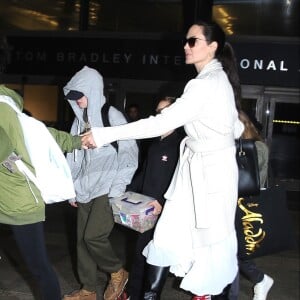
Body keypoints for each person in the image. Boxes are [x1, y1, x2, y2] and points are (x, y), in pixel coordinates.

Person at [81, 20, 244, 300]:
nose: (185, 46)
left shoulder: (207, 83)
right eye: (186, 40)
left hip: (209, 176)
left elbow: (161, 123)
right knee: (167, 238)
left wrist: (104, 134)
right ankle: (149, 294)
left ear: (213, 46)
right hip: (199, 171)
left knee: (209, 249)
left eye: (192, 41)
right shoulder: (215, 81)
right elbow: (236, 127)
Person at [62, 66, 139, 300]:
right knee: (81, 243)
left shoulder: (111, 116)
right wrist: (71, 190)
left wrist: (118, 188)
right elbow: (73, 157)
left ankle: (117, 272)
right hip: (84, 188)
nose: (78, 101)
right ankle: (88, 290)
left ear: (93, 91)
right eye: (73, 97)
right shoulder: (78, 123)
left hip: (106, 188)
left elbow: (129, 153)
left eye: (81, 95)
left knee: (93, 236)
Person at [0, 85, 83, 300]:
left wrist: (12, 165)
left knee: (38, 265)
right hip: (18, 198)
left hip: (18, 201)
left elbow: (4, 149)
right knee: (39, 265)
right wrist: (78, 141)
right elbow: (47, 135)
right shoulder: (12, 111)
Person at [123, 96, 185, 300]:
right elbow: (144, 173)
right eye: (157, 112)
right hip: (146, 207)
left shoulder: (180, 144)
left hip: (163, 211)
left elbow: (179, 178)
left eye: (163, 112)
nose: (158, 115)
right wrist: (128, 192)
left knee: (153, 257)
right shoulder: (156, 143)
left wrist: (162, 200)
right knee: (141, 253)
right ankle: (135, 293)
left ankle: (141, 294)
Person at [229, 110, 273, 300]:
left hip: (244, 206)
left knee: (236, 251)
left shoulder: (257, 147)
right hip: (226, 204)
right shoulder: (228, 145)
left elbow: (258, 182)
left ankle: (260, 279)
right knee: (229, 252)